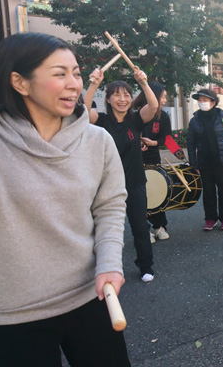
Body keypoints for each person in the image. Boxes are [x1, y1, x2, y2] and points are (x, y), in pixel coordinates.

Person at [0, 33, 130, 365]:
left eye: (76, 73)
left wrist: (110, 262)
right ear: (20, 82)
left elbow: (109, 208)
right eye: (60, 74)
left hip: (90, 296)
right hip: (12, 314)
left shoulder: (97, 141)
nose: (74, 84)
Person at [85, 66, 159, 283]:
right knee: (102, 229)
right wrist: (93, 85)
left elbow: (153, 105)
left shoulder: (135, 120)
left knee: (140, 226)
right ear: (108, 99)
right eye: (116, 95)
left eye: (126, 94)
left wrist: (143, 82)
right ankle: (101, 268)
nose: (122, 99)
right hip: (106, 185)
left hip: (135, 182)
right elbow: (81, 110)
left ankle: (146, 266)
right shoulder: (101, 121)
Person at [131, 82, 185, 243]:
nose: (164, 100)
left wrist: (153, 143)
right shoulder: (134, 113)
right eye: (162, 96)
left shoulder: (164, 116)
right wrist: (137, 144)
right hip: (135, 160)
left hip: (153, 159)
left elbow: (167, 139)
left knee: (158, 192)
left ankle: (160, 226)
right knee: (139, 197)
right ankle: (143, 229)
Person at [187, 89, 223, 231]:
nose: (202, 102)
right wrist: (193, 163)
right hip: (204, 162)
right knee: (208, 192)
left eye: (205, 100)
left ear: (213, 102)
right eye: (200, 100)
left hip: (222, 161)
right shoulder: (195, 120)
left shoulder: (222, 117)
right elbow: (190, 144)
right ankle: (210, 219)